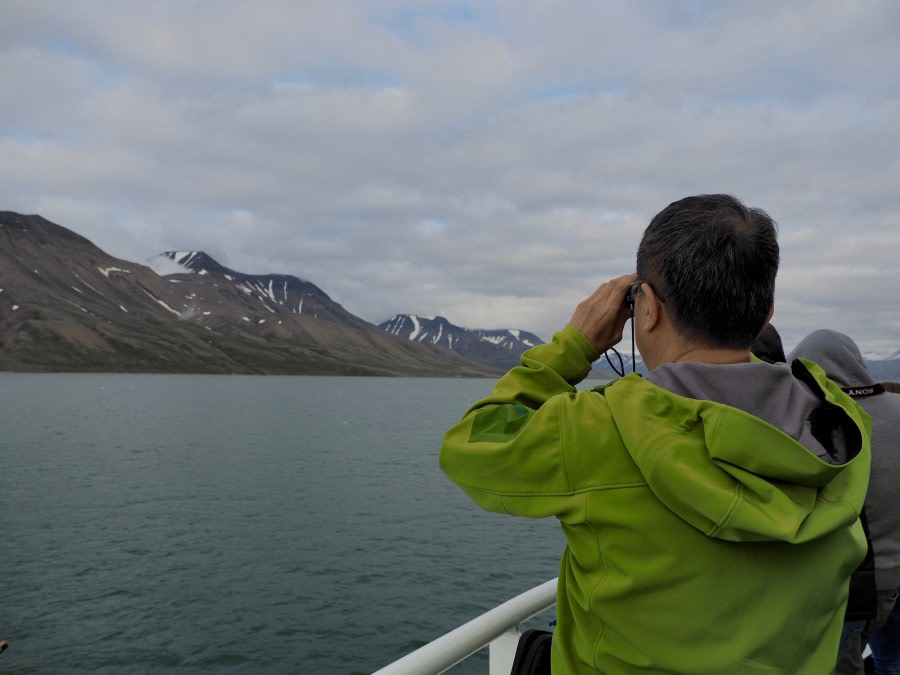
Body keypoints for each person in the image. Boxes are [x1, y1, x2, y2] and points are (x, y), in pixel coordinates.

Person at [439, 194, 871, 674]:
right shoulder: (838, 428)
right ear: (765, 312)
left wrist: (573, 345)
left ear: (646, 310)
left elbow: (472, 446)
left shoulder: (600, 428)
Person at [790, 330, 900, 675]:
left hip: (854, 586)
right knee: (893, 661)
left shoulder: (815, 425)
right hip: (898, 572)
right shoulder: (897, 408)